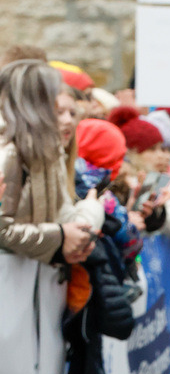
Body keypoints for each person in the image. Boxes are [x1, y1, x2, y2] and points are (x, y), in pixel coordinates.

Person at [0, 59, 102, 267]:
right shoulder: (9, 153)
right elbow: (3, 230)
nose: (66, 119)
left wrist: (67, 243)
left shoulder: (44, 153)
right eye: (53, 103)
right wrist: (60, 237)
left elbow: (56, 216)